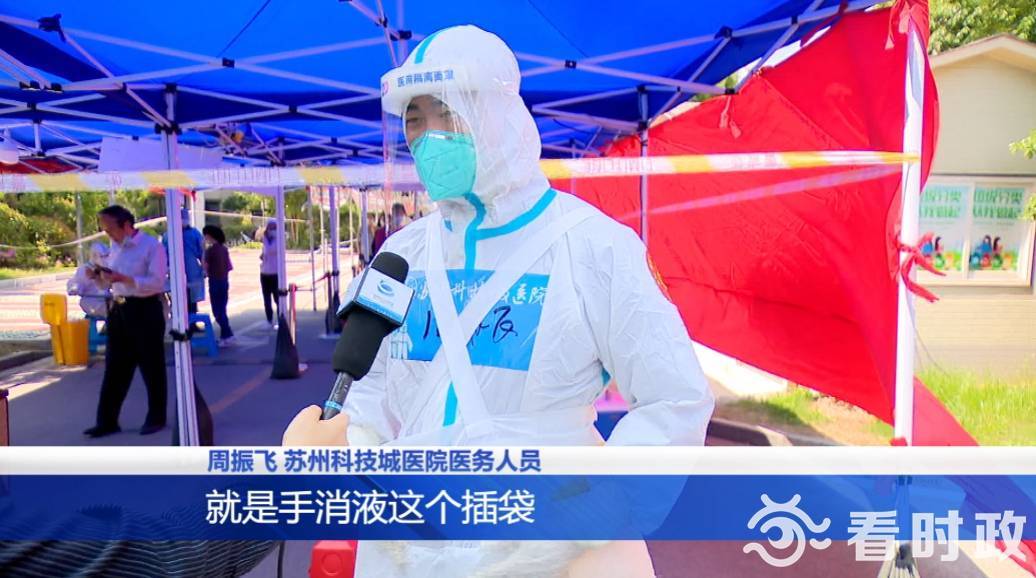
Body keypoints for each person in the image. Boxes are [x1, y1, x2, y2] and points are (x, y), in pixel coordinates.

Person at [285, 25, 713, 577]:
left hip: (553, 546)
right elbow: (373, 397)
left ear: (496, 113)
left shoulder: (593, 247)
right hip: (410, 547)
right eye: (415, 121)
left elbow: (673, 398)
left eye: (447, 113)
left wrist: (606, 501)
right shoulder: (401, 257)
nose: (429, 138)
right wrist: (341, 447)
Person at [83, 205, 168, 437]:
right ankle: (107, 421)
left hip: (145, 308)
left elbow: (157, 282)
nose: (107, 233)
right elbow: (110, 282)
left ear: (126, 225)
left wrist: (125, 279)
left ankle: (156, 417)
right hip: (119, 309)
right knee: (115, 367)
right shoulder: (114, 247)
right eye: (104, 229)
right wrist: (99, 277)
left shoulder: (152, 246)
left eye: (110, 228)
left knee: (151, 366)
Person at [163, 207, 205, 315]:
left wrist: (204, 268)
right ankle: (182, 320)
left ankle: (191, 320)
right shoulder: (168, 235)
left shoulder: (194, 233)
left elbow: (203, 252)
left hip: (191, 272)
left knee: (191, 301)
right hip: (176, 271)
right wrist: (165, 269)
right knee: (178, 299)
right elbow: (163, 255)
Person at [203, 225, 235, 346]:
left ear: (210, 236)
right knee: (222, 309)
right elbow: (229, 267)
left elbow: (205, 267)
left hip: (214, 282)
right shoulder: (224, 249)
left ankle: (228, 335)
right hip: (224, 281)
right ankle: (225, 336)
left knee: (217, 311)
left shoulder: (210, 251)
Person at [259, 220, 281, 330]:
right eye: (270, 227)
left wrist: (266, 239)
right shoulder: (265, 239)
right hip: (264, 272)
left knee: (278, 299)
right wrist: (262, 256)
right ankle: (269, 320)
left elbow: (271, 250)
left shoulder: (279, 239)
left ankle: (281, 320)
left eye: (274, 227)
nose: (271, 230)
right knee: (266, 299)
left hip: (275, 273)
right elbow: (265, 252)